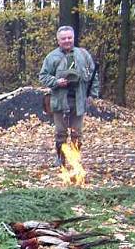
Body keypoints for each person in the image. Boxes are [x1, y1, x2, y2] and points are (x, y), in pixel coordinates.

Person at [38, 25, 99, 166]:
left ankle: (75, 159)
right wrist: (56, 82)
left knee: (77, 133)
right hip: (59, 100)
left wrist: (92, 95)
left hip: (79, 100)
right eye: (63, 38)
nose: (67, 40)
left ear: (74, 38)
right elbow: (43, 76)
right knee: (60, 133)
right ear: (58, 40)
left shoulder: (83, 55)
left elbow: (93, 76)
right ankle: (60, 158)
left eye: (69, 37)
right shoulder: (51, 57)